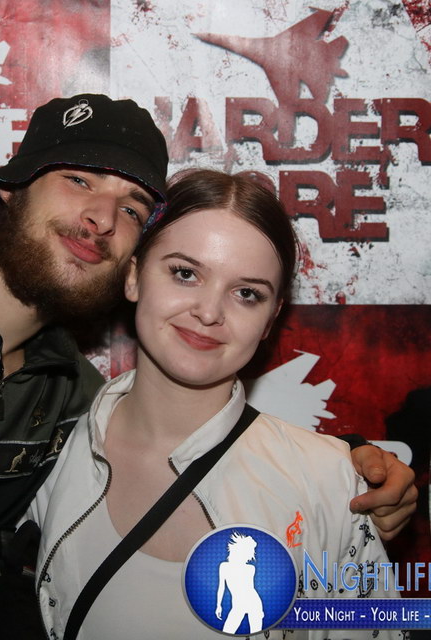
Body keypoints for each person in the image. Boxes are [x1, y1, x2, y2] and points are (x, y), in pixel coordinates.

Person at [0, 94, 414, 638]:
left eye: (133, 207)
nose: (103, 218)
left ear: (273, 315)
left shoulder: (69, 396)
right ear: (9, 188)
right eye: (79, 180)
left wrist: (343, 470)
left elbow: (374, 617)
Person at [28, 169, 406, 639]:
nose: (209, 312)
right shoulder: (46, 451)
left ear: (270, 319)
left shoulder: (331, 482)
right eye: (185, 273)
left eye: (246, 294)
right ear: (134, 276)